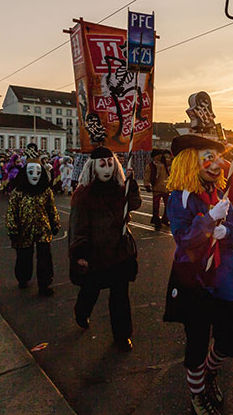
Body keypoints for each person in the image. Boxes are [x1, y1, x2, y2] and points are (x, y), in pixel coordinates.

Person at [163, 135, 233, 415]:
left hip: (224, 278)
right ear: (189, 162)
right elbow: (183, 239)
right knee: (197, 342)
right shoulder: (180, 197)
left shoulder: (220, 194)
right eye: (207, 157)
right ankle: (197, 395)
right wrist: (209, 221)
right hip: (194, 280)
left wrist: (225, 231)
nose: (215, 163)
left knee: (230, 335)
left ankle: (209, 374)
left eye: (217, 157)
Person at [68, 146, 141, 351]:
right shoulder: (84, 195)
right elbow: (78, 225)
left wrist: (131, 186)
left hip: (119, 252)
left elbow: (134, 204)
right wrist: (80, 252)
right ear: (93, 167)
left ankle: (122, 336)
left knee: (120, 296)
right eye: (102, 164)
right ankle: (82, 312)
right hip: (95, 253)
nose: (107, 168)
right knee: (90, 290)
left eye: (110, 163)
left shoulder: (120, 189)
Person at [6, 144, 60, 295]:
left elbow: (51, 208)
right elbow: (12, 211)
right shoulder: (18, 192)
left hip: (43, 228)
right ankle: (23, 278)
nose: (34, 175)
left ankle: (44, 284)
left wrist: (55, 223)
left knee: (44, 258)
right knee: (24, 256)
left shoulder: (46, 191)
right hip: (23, 230)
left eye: (37, 172)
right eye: (31, 172)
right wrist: (12, 228)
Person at [143, 148, 171, 230]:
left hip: (166, 188)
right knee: (156, 206)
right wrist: (147, 184)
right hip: (156, 188)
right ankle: (156, 220)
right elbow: (147, 176)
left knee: (168, 205)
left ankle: (165, 218)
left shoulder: (165, 164)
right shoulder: (150, 166)